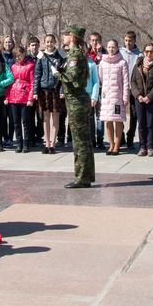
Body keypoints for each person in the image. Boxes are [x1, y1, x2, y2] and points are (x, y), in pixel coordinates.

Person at [55, 25, 96, 188]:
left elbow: (71, 77)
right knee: (83, 141)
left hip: (76, 102)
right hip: (76, 101)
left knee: (80, 141)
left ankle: (82, 178)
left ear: (72, 37)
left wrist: (57, 73)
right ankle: (85, 176)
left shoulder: (75, 54)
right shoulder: (76, 54)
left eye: (66, 34)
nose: (63, 37)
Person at [130, 42, 153, 157]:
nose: (149, 54)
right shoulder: (138, 65)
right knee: (141, 124)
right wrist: (138, 95)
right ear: (144, 52)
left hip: (152, 100)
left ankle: (150, 146)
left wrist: (149, 97)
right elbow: (133, 82)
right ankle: (142, 146)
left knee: (150, 124)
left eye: (151, 52)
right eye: (147, 51)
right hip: (139, 99)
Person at [34, 33, 65, 154]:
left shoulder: (60, 56)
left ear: (55, 42)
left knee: (55, 116)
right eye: (47, 41)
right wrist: (35, 91)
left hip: (56, 90)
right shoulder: (41, 56)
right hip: (43, 90)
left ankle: (53, 143)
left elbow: (63, 76)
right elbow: (37, 75)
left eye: (51, 41)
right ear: (44, 43)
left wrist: (62, 91)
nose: (49, 44)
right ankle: (46, 143)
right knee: (45, 117)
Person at [99, 39, 129, 156]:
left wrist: (125, 97)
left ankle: (117, 145)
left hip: (117, 96)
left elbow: (125, 81)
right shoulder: (102, 63)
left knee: (118, 120)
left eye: (113, 47)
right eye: (109, 47)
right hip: (106, 96)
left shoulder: (122, 63)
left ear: (117, 48)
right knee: (108, 120)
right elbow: (101, 78)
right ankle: (111, 145)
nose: (111, 49)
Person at [7, 45, 36, 152]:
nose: (18, 58)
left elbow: (33, 83)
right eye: (16, 56)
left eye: (20, 55)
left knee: (26, 122)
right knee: (15, 122)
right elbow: (10, 83)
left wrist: (30, 98)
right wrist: (7, 96)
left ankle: (26, 143)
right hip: (14, 97)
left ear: (24, 54)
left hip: (25, 97)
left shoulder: (30, 66)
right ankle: (19, 143)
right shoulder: (13, 67)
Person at [119, 31, 141, 150]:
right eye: (126, 40)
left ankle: (130, 136)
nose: (128, 43)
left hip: (134, 88)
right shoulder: (120, 52)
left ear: (134, 41)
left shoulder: (140, 54)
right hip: (121, 87)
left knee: (134, 114)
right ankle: (120, 135)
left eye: (130, 40)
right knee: (119, 113)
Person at [1, 35, 17, 145]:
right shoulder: (0, 56)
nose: (8, 44)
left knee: (12, 116)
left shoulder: (15, 55)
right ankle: (4, 136)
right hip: (2, 88)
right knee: (2, 115)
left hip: (13, 89)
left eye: (10, 42)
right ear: (3, 44)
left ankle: (10, 137)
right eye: (6, 42)